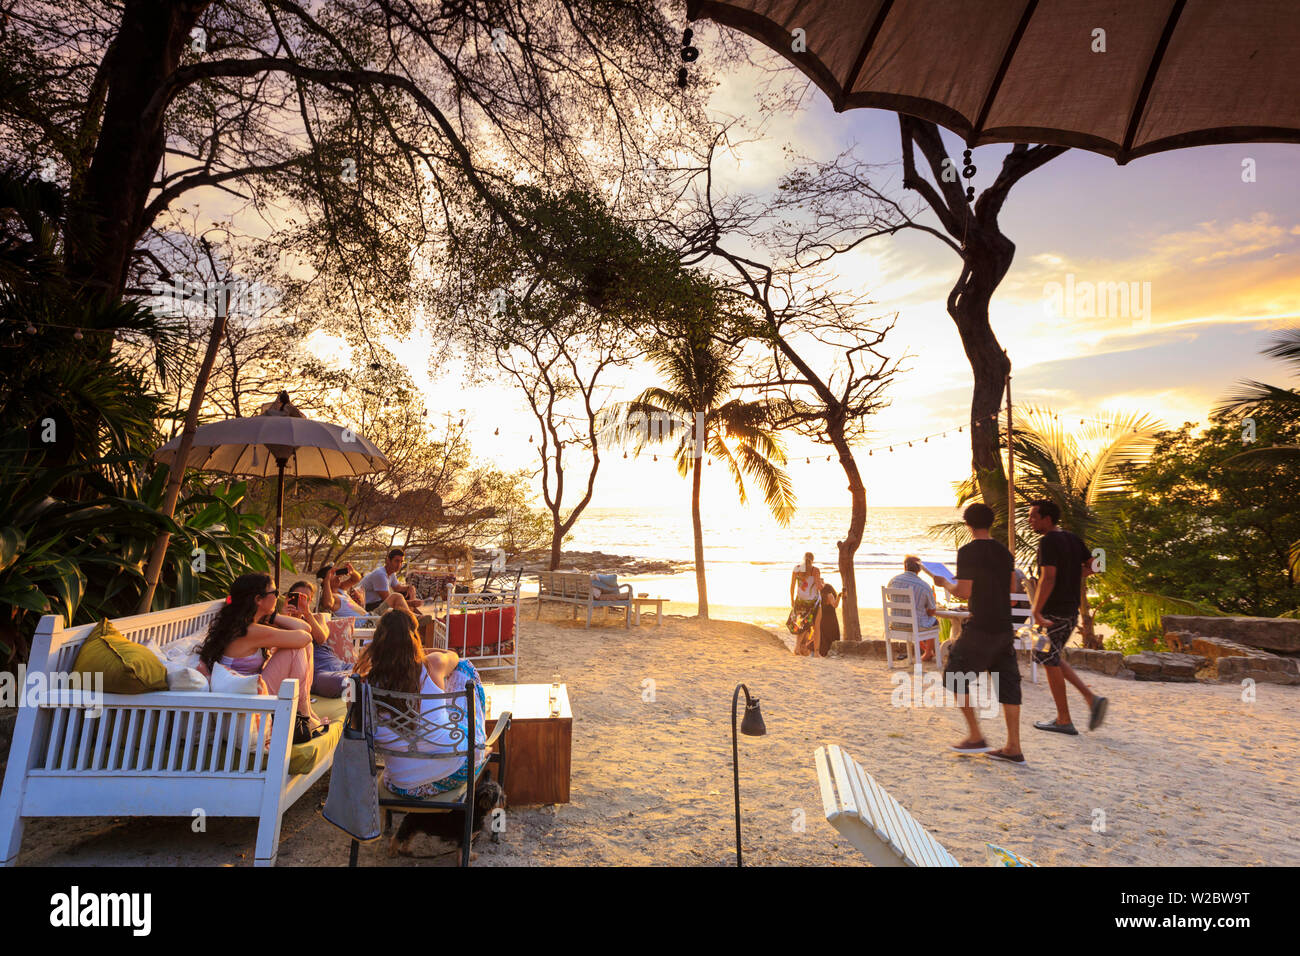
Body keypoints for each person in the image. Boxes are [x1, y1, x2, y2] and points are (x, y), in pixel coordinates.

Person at [359, 611, 488, 805]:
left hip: (401, 783)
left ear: (379, 642)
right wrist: (419, 650)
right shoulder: (432, 665)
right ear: (414, 638)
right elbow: (453, 656)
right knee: (464, 667)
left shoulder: (366, 682)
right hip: (455, 771)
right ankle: (477, 743)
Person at [932, 504, 1024, 765]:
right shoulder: (1005, 553)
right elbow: (1012, 591)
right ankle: (1013, 747)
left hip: (981, 625)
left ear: (968, 525)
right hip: (1004, 627)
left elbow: (963, 592)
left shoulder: (968, 551)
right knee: (1008, 684)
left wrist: (944, 583)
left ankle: (975, 735)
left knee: (954, 675)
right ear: (991, 523)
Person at [197, 573, 327, 743]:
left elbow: (305, 629)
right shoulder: (250, 631)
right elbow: (305, 636)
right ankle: (304, 716)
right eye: (275, 592)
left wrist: (271, 616)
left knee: (303, 647)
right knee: (295, 650)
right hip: (248, 701)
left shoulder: (242, 625)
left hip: (248, 694)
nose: (278, 597)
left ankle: (306, 714)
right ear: (259, 599)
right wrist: (274, 616)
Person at [1027, 499, 1109, 734]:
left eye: (1034, 516)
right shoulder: (1072, 538)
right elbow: (1097, 565)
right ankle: (1091, 699)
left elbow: (1048, 578)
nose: (1030, 520)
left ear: (1047, 518)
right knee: (1050, 656)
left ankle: (1064, 719)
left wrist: (1036, 610)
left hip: (1053, 613)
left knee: (1047, 658)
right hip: (1069, 612)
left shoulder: (1048, 542)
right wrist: (1075, 574)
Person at [286, 580, 353, 698]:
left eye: (304, 598)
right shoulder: (282, 622)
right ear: (288, 598)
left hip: (341, 665)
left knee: (371, 672)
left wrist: (307, 614)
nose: (300, 601)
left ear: (310, 601)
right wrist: (285, 616)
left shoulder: (317, 618)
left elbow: (321, 638)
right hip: (318, 673)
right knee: (350, 683)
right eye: (297, 597)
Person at [887, 556, 940, 661]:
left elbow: (889, 598)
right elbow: (932, 611)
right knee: (932, 621)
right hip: (914, 625)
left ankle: (927, 652)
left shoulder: (893, 581)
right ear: (919, 569)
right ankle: (928, 652)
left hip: (895, 624)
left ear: (905, 566)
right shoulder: (924, 586)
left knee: (916, 619)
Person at [787, 552, 822, 656]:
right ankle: (816, 653)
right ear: (812, 560)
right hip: (813, 602)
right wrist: (822, 583)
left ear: (803, 559)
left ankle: (797, 648)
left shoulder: (797, 569)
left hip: (800, 601)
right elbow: (819, 587)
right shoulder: (815, 570)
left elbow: (792, 586)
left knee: (802, 625)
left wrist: (792, 600)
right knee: (816, 626)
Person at [816, 582, 840, 657]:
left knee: (824, 636)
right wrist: (839, 596)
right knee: (832, 636)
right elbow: (835, 605)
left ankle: (823, 653)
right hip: (831, 619)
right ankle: (829, 653)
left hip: (822, 619)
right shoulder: (829, 595)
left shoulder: (820, 596)